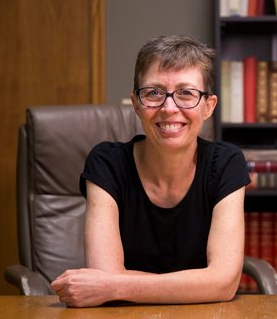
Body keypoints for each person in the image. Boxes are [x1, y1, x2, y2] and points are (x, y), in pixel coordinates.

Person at [51, 35, 251, 307]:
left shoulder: (226, 162)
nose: (169, 108)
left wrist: (114, 285)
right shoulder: (106, 163)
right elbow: (103, 273)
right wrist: (198, 284)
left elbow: (223, 283)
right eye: (154, 93)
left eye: (186, 93)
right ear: (136, 103)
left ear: (208, 106)